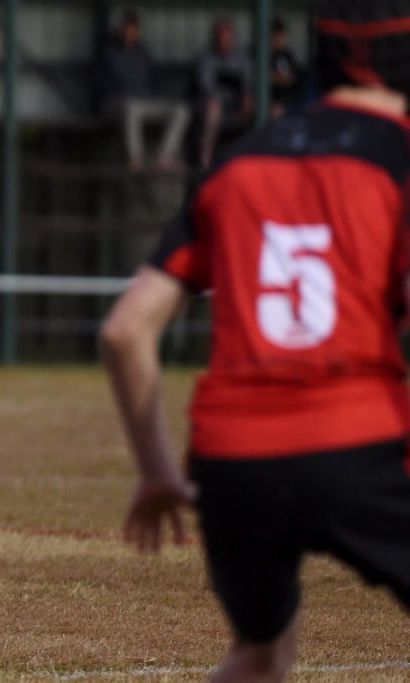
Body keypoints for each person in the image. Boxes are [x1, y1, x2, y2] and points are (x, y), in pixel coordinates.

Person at [100, 1, 410, 680]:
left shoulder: (238, 161)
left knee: (262, 654)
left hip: (233, 457)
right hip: (357, 438)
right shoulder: (397, 153)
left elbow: (126, 330)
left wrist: (157, 471)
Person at [96, 10, 191, 173]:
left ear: (138, 31)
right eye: (125, 29)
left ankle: (164, 156)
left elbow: (154, 82)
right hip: (115, 103)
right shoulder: (108, 53)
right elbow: (101, 87)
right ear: (120, 30)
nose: (128, 34)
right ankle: (135, 160)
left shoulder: (143, 53)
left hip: (144, 102)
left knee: (182, 110)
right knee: (131, 107)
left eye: (132, 30)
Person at [192, 18, 253, 168]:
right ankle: (204, 162)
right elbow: (206, 88)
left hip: (236, 107)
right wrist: (228, 95)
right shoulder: (206, 58)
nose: (223, 40)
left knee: (261, 108)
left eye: (227, 36)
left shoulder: (242, 59)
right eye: (220, 35)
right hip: (210, 107)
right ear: (214, 36)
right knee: (213, 107)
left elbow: (247, 84)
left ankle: (252, 161)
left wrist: (246, 98)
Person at [269, 18, 301, 119]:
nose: (280, 39)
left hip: (288, 100)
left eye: (282, 36)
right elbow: (265, 77)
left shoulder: (287, 55)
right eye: (277, 36)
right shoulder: (265, 54)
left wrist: (276, 77)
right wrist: (280, 78)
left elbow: (292, 78)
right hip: (270, 100)